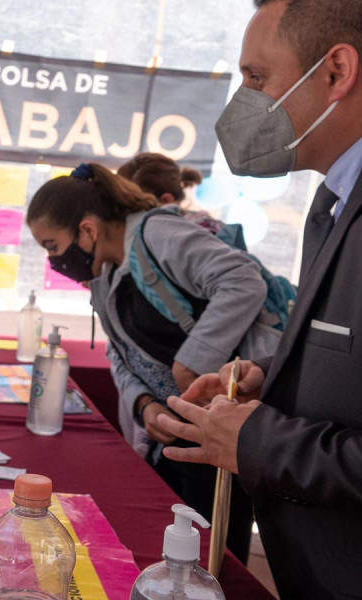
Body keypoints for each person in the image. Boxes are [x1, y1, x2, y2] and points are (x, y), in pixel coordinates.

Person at [157, 0, 362, 597]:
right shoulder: (335, 202)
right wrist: (270, 378)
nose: (244, 100)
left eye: (256, 77)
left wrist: (256, 442)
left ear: (336, 72)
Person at [26, 162, 281, 563]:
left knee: (214, 560)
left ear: (88, 230)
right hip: (177, 430)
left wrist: (191, 362)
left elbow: (243, 280)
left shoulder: (158, 233)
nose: (54, 261)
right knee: (170, 551)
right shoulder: (105, 273)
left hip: (222, 422)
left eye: (52, 246)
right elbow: (120, 353)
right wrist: (143, 404)